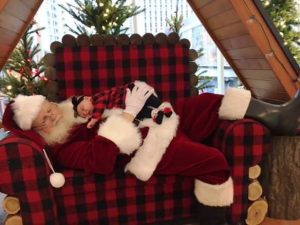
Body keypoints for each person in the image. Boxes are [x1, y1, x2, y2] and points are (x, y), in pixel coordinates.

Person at [3, 84, 299, 225]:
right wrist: (129, 114)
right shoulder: (64, 149)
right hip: (147, 147)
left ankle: (280, 116)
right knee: (214, 162)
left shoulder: (76, 113)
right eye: (44, 120)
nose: (52, 117)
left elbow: (111, 99)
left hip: (156, 119)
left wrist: (109, 105)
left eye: (49, 109)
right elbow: (102, 161)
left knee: (208, 101)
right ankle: (215, 220)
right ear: (39, 130)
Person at [71, 80, 172, 128]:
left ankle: (163, 107)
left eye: (83, 108)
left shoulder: (97, 98)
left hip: (130, 92)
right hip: (127, 103)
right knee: (139, 112)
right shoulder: (102, 112)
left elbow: (100, 105)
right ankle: (154, 113)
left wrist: (93, 119)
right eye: (84, 114)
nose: (85, 112)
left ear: (87, 98)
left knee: (146, 97)